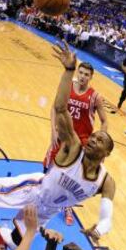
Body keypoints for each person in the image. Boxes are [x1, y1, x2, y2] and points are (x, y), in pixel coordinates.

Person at [0, 41, 116, 246]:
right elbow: (59, 108)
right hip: (34, 190)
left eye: (99, 140)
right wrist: (68, 71)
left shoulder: (105, 182)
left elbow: (106, 220)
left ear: (107, 152)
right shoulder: (75, 149)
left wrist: (99, 230)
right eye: (93, 137)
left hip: (47, 210)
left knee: (14, 243)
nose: (93, 139)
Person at [43, 61, 108, 225]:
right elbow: (54, 108)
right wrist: (53, 130)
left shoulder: (95, 97)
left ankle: (67, 206)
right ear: (77, 73)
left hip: (82, 142)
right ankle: (42, 195)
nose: (83, 77)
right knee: (49, 167)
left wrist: (101, 145)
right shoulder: (68, 88)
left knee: (72, 177)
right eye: (81, 73)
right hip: (63, 136)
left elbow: (104, 121)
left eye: (87, 74)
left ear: (91, 77)